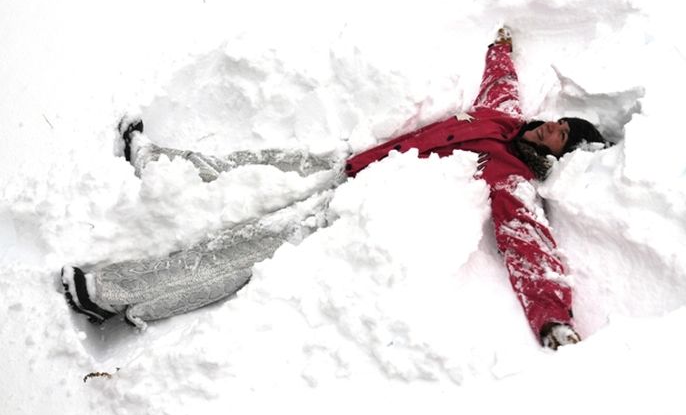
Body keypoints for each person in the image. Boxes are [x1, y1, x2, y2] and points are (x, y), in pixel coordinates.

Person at [60, 27, 609, 350]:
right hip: (353, 162)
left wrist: (552, 317)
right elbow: (501, 77)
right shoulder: (504, 118)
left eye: (559, 137)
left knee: (246, 247)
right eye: (558, 121)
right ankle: (155, 160)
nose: (549, 128)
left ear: (555, 158)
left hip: (361, 203)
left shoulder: (511, 178)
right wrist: (501, 42)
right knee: (251, 163)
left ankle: (112, 293)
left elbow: (529, 245)